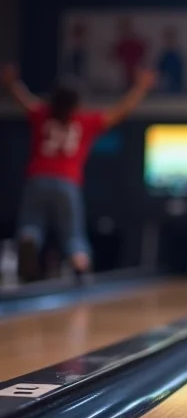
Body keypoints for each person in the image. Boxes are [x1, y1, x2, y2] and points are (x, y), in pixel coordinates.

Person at [0, 64, 157, 282]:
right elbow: (120, 111)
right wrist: (140, 88)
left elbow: (22, 98)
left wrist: (11, 82)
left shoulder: (41, 114)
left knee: (31, 223)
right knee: (73, 233)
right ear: (77, 104)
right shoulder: (84, 122)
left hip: (37, 179)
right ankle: (79, 261)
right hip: (68, 182)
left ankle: (29, 239)